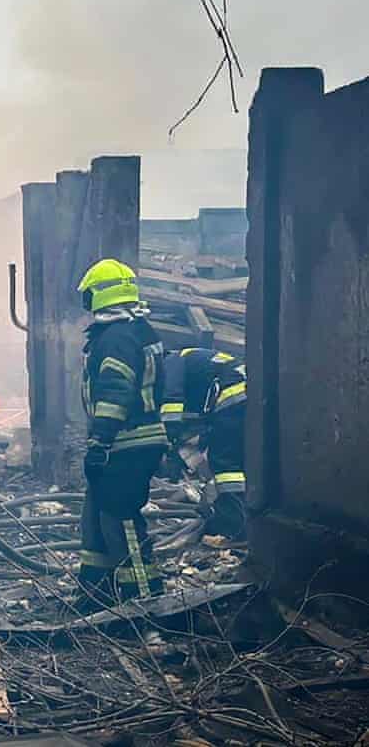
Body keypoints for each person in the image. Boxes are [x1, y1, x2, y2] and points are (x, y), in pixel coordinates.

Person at [75, 258, 169, 610]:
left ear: (98, 296)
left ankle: (145, 598)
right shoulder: (135, 331)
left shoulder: (115, 338)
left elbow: (115, 393)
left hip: (127, 442)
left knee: (121, 516)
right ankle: (96, 592)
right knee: (98, 515)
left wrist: (100, 441)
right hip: (130, 442)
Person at [161, 347, 247, 541]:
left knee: (226, 467)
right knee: (242, 460)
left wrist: (169, 440)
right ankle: (246, 515)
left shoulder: (170, 361)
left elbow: (171, 404)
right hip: (251, 397)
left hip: (231, 397)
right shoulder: (196, 358)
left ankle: (233, 524)